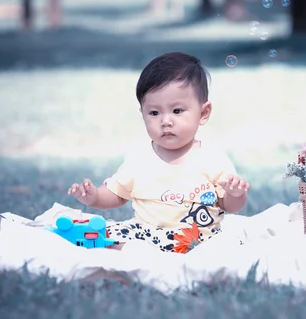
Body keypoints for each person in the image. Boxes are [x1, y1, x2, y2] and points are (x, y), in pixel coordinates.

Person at [67, 52, 250, 253]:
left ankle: (135, 252)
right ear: (143, 114)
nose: (166, 121)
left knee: (226, 248)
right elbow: (117, 194)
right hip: (146, 234)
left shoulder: (212, 159)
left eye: (177, 111)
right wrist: (94, 197)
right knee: (106, 235)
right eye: (154, 113)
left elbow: (231, 206)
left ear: (203, 113)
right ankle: (127, 249)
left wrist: (235, 194)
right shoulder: (139, 158)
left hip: (195, 240)